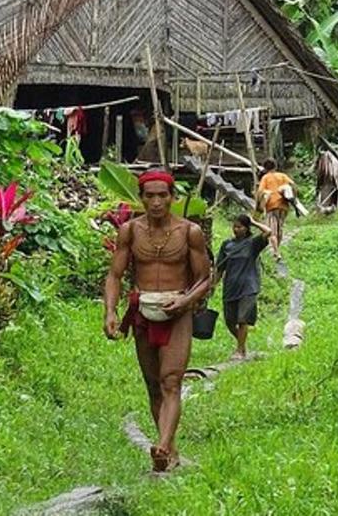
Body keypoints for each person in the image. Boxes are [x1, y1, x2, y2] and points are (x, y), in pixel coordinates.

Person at [104, 168, 210, 473]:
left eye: (162, 195)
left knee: (171, 381)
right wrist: (110, 311)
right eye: (149, 196)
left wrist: (185, 301)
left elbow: (204, 278)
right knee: (153, 385)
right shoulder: (130, 231)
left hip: (177, 313)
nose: (156, 202)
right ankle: (170, 449)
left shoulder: (190, 232)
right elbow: (115, 274)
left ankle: (162, 445)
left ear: (172, 197)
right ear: (141, 198)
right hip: (143, 312)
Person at [212, 214, 272, 360]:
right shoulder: (227, 245)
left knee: (242, 319)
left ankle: (239, 350)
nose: (236, 229)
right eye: (234, 226)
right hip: (231, 286)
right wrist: (213, 285)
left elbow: (268, 232)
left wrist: (254, 222)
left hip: (248, 286)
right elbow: (220, 268)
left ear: (246, 229)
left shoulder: (253, 243)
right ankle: (243, 346)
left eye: (240, 227)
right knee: (229, 321)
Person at [255, 158, 295, 261]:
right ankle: (277, 249)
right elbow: (293, 186)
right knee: (280, 228)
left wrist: (259, 204)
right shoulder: (282, 176)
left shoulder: (266, 177)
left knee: (272, 231)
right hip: (284, 206)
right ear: (275, 166)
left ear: (265, 168)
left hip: (271, 206)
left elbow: (260, 192)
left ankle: (276, 252)